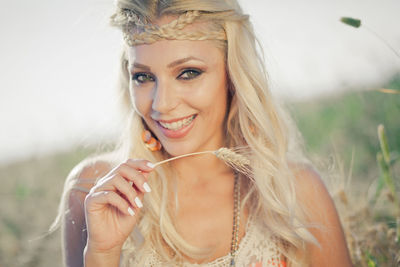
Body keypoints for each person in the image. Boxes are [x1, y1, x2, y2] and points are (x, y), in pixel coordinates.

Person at [52, 0, 353, 266]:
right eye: (143, 77)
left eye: (188, 73)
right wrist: (103, 253)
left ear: (233, 72)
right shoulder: (96, 192)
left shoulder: (293, 191)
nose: (162, 104)